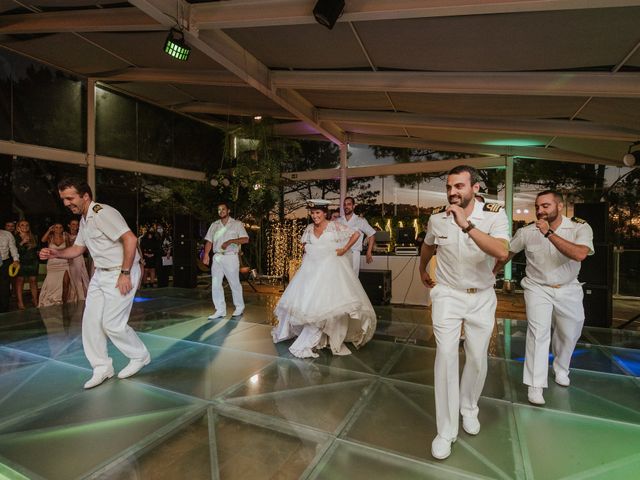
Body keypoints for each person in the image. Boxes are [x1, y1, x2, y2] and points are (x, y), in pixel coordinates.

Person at [419, 165, 509, 460]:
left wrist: (467, 226)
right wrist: (422, 268)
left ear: (475, 188)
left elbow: (502, 252)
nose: (452, 192)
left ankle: (469, 407)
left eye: (459, 186)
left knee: (477, 358)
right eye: (449, 187)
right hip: (447, 294)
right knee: (445, 357)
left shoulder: (495, 214)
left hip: (482, 296)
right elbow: (428, 246)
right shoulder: (437, 219)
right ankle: (445, 431)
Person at [39, 178, 150, 389]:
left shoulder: (102, 213)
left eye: (70, 198)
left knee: (112, 324)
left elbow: (130, 239)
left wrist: (125, 273)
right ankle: (102, 367)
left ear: (85, 196)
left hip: (120, 272)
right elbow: (78, 249)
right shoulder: (84, 219)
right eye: (63, 199)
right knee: (90, 322)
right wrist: (56, 252)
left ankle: (140, 356)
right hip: (100, 275)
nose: (66, 203)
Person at [493, 190, 593, 405]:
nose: (540, 210)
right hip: (537, 288)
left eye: (545, 206)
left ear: (559, 206)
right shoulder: (528, 231)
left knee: (570, 332)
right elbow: (507, 253)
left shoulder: (579, 227)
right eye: (537, 206)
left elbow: (580, 254)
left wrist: (549, 234)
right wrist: (490, 272)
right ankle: (535, 385)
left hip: (568, 288)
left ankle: (561, 368)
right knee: (538, 333)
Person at [272, 200, 377, 358]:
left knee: (328, 303)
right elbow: (304, 246)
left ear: (325, 213)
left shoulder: (334, 225)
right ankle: (318, 337)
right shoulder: (309, 228)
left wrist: (345, 249)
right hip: (312, 271)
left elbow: (356, 234)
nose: (315, 216)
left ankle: (326, 336)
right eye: (313, 213)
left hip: (330, 270)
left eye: (318, 213)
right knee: (311, 303)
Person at [202, 202, 249, 319]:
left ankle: (239, 307)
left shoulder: (236, 224)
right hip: (217, 256)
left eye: (223, 209)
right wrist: (206, 254)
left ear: (228, 210)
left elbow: (245, 239)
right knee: (216, 283)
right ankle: (220, 310)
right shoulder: (214, 225)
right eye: (219, 210)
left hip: (230, 256)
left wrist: (230, 241)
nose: (221, 211)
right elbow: (209, 241)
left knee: (234, 283)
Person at [337, 196, 376, 276]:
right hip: (341, 254)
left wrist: (369, 252)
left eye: (349, 204)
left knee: (353, 278)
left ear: (353, 206)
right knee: (341, 278)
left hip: (354, 253)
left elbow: (371, 234)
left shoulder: (360, 221)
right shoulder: (339, 220)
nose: (346, 206)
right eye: (344, 204)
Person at [38, 223, 73, 307]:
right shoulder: (50, 237)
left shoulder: (66, 236)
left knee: (66, 283)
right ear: (54, 228)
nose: (58, 229)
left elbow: (69, 248)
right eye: (56, 227)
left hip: (64, 262)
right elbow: (42, 240)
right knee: (52, 284)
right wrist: (49, 230)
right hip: (52, 264)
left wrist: (65, 256)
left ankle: (64, 302)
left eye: (60, 227)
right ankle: (51, 300)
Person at [14, 220, 40, 309]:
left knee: (33, 281)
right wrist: (22, 242)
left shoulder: (33, 236)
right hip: (21, 261)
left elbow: (37, 249)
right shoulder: (15, 237)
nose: (25, 226)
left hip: (33, 262)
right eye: (22, 225)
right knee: (20, 281)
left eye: (26, 225)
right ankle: (20, 302)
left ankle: (35, 300)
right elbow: (16, 251)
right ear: (18, 227)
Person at [67, 218, 89, 300]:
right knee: (71, 277)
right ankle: (72, 296)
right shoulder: (65, 235)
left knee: (80, 276)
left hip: (78, 258)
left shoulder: (81, 236)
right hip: (68, 258)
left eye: (77, 224)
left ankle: (81, 296)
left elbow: (85, 249)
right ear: (69, 226)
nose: (75, 226)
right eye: (73, 224)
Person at [0, 222, 20, 312]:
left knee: (4, 286)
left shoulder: (7, 234)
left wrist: (16, 259)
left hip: (4, 262)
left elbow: (13, 247)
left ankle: (4, 310)